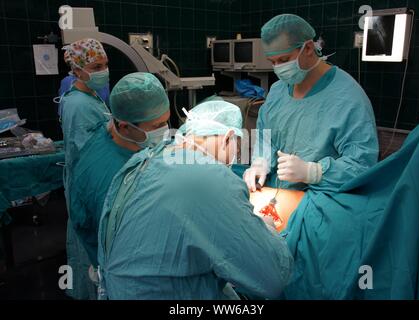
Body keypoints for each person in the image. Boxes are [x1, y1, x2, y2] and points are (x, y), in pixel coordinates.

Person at [97, 101, 292, 300]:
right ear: (228, 138)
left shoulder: (143, 160)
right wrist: (265, 230)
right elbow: (272, 277)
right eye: (237, 146)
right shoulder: (212, 178)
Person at [244, 14, 379, 193]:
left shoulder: (348, 98)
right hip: (276, 191)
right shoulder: (278, 91)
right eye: (273, 62)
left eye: (283, 60)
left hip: (324, 196)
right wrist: (260, 162)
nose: (278, 68)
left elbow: (362, 164)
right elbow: (265, 136)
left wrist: (313, 172)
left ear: (308, 48)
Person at [67, 72, 170, 299]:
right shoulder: (112, 177)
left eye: (166, 121)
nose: (165, 130)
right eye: (158, 125)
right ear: (124, 127)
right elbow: (130, 245)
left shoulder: (112, 136)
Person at [60, 38, 111, 300]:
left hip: (91, 179)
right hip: (87, 183)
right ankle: (91, 293)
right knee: (89, 243)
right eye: (96, 66)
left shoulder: (90, 96)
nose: (103, 70)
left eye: (105, 64)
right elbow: (85, 151)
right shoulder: (78, 104)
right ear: (77, 70)